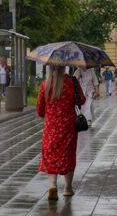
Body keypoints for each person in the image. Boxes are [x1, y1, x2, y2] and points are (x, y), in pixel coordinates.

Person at [36, 65, 86, 201]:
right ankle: (68, 188)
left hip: (50, 127)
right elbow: (81, 100)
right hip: (68, 126)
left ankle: (52, 185)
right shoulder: (72, 82)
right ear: (65, 68)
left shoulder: (45, 84)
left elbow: (40, 110)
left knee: (50, 155)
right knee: (68, 155)